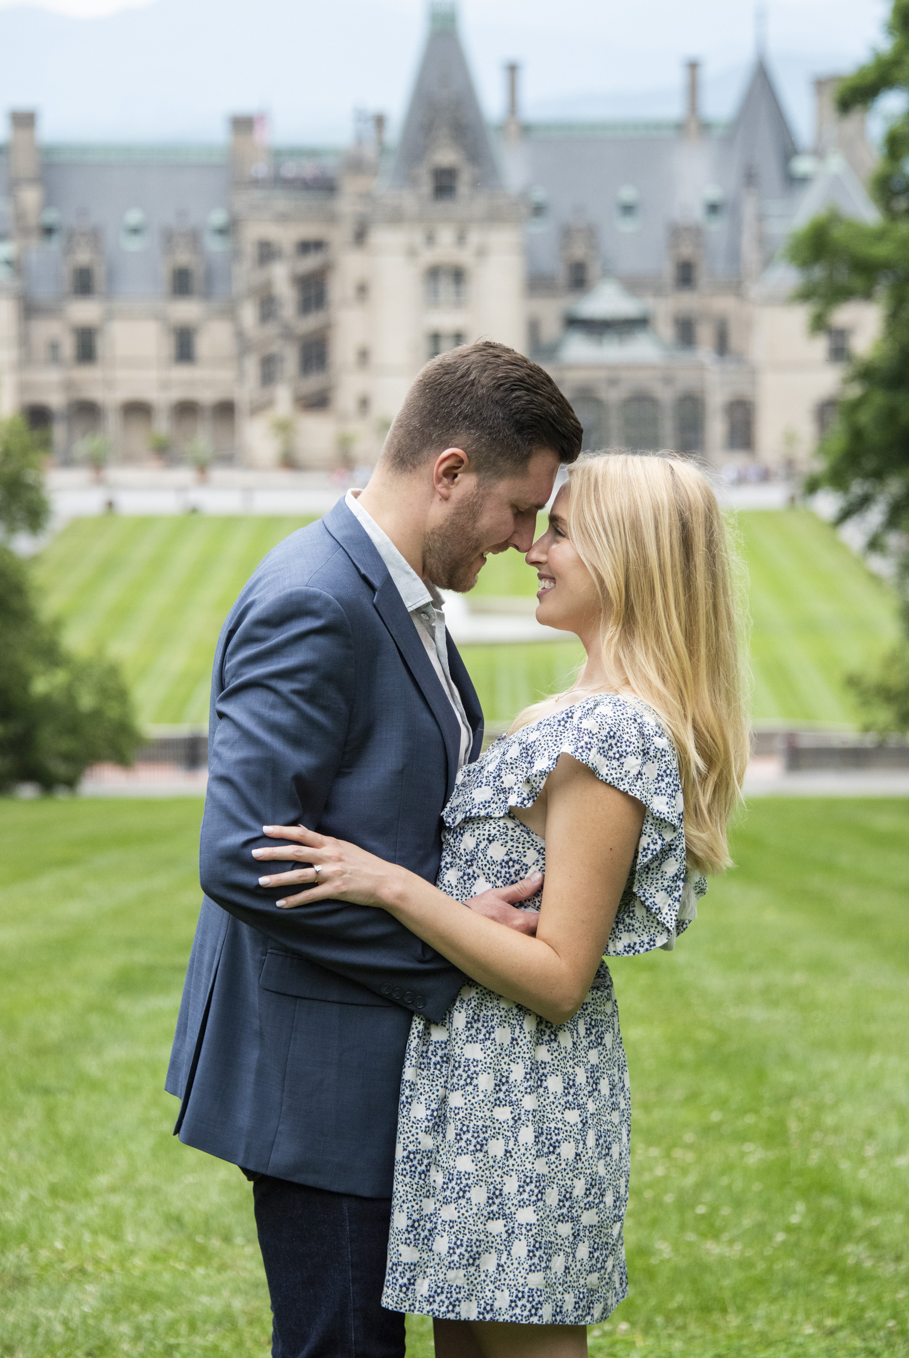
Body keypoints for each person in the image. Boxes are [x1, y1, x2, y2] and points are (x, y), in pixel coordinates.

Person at [254, 453, 749, 1357]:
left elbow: (559, 978)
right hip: (476, 1089)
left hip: (525, 1105)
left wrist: (390, 884)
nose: (532, 549)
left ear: (629, 558)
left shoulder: (610, 733)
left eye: (559, 531)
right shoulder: (576, 712)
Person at [166, 342, 583, 1358]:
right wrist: (445, 944)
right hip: (318, 1081)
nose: (523, 540)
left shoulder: (399, 594)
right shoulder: (316, 598)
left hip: (369, 1068)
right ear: (449, 473)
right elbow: (243, 856)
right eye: (517, 510)